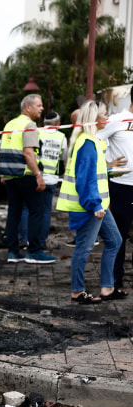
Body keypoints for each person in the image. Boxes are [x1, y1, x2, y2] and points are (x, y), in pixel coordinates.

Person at [56, 100, 123, 303]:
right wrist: (95, 205)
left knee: (115, 241)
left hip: (98, 204)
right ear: (94, 118)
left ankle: (107, 288)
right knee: (84, 249)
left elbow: (93, 174)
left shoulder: (91, 141)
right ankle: (77, 292)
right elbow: (85, 180)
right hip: (90, 206)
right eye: (104, 114)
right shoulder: (87, 144)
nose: (107, 118)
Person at [0, 94, 56, 263]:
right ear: (28, 107)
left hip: (10, 176)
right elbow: (28, 153)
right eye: (39, 105)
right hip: (25, 174)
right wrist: (38, 175)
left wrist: (3, 174)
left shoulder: (10, 124)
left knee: (14, 213)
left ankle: (13, 252)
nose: (42, 108)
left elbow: (5, 150)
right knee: (36, 211)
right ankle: (34, 252)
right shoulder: (29, 125)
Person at [97, 85, 133, 292]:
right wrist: (107, 164)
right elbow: (95, 142)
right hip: (122, 187)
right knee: (118, 235)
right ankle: (115, 279)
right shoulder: (117, 120)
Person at [18, 111, 67, 249]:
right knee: (45, 211)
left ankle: (24, 239)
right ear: (57, 124)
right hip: (51, 179)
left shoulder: (36, 132)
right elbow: (64, 157)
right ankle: (41, 242)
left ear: (44, 123)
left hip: (34, 176)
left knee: (27, 208)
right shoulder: (62, 137)